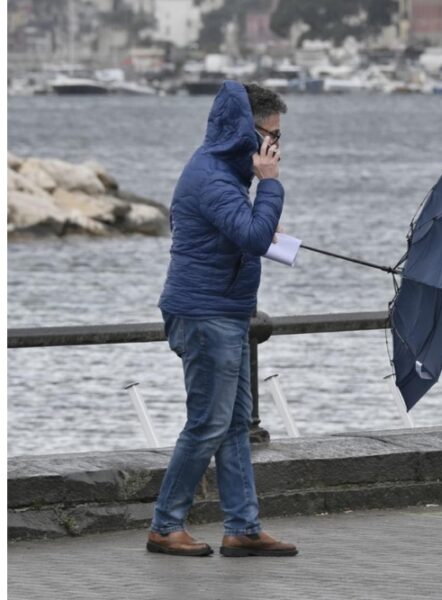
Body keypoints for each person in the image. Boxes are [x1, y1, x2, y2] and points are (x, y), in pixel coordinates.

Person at [147, 81, 297, 557]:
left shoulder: (227, 175)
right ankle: (165, 525)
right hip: (204, 314)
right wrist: (270, 183)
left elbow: (245, 233)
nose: (273, 147)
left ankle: (243, 528)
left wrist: (265, 217)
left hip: (224, 312)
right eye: (268, 136)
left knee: (233, 425)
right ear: (242, 130)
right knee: (208, 424)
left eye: (278, 139)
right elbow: (252, 237)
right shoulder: (212, 176)